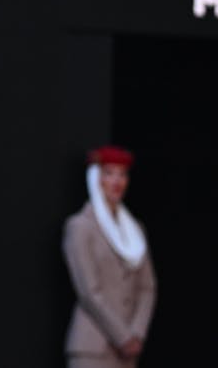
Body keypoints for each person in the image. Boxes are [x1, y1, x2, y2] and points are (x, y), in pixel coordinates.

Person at [63, 145, 156, 368]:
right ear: (96, 178)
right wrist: (122, 336)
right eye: (109, 173)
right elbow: (89, 291)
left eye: (122, 174)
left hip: (128, 351)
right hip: (93, 347)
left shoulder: (134, 230)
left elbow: (147, 287)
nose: (117, 181)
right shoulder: (81, 227)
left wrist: (137, 334)